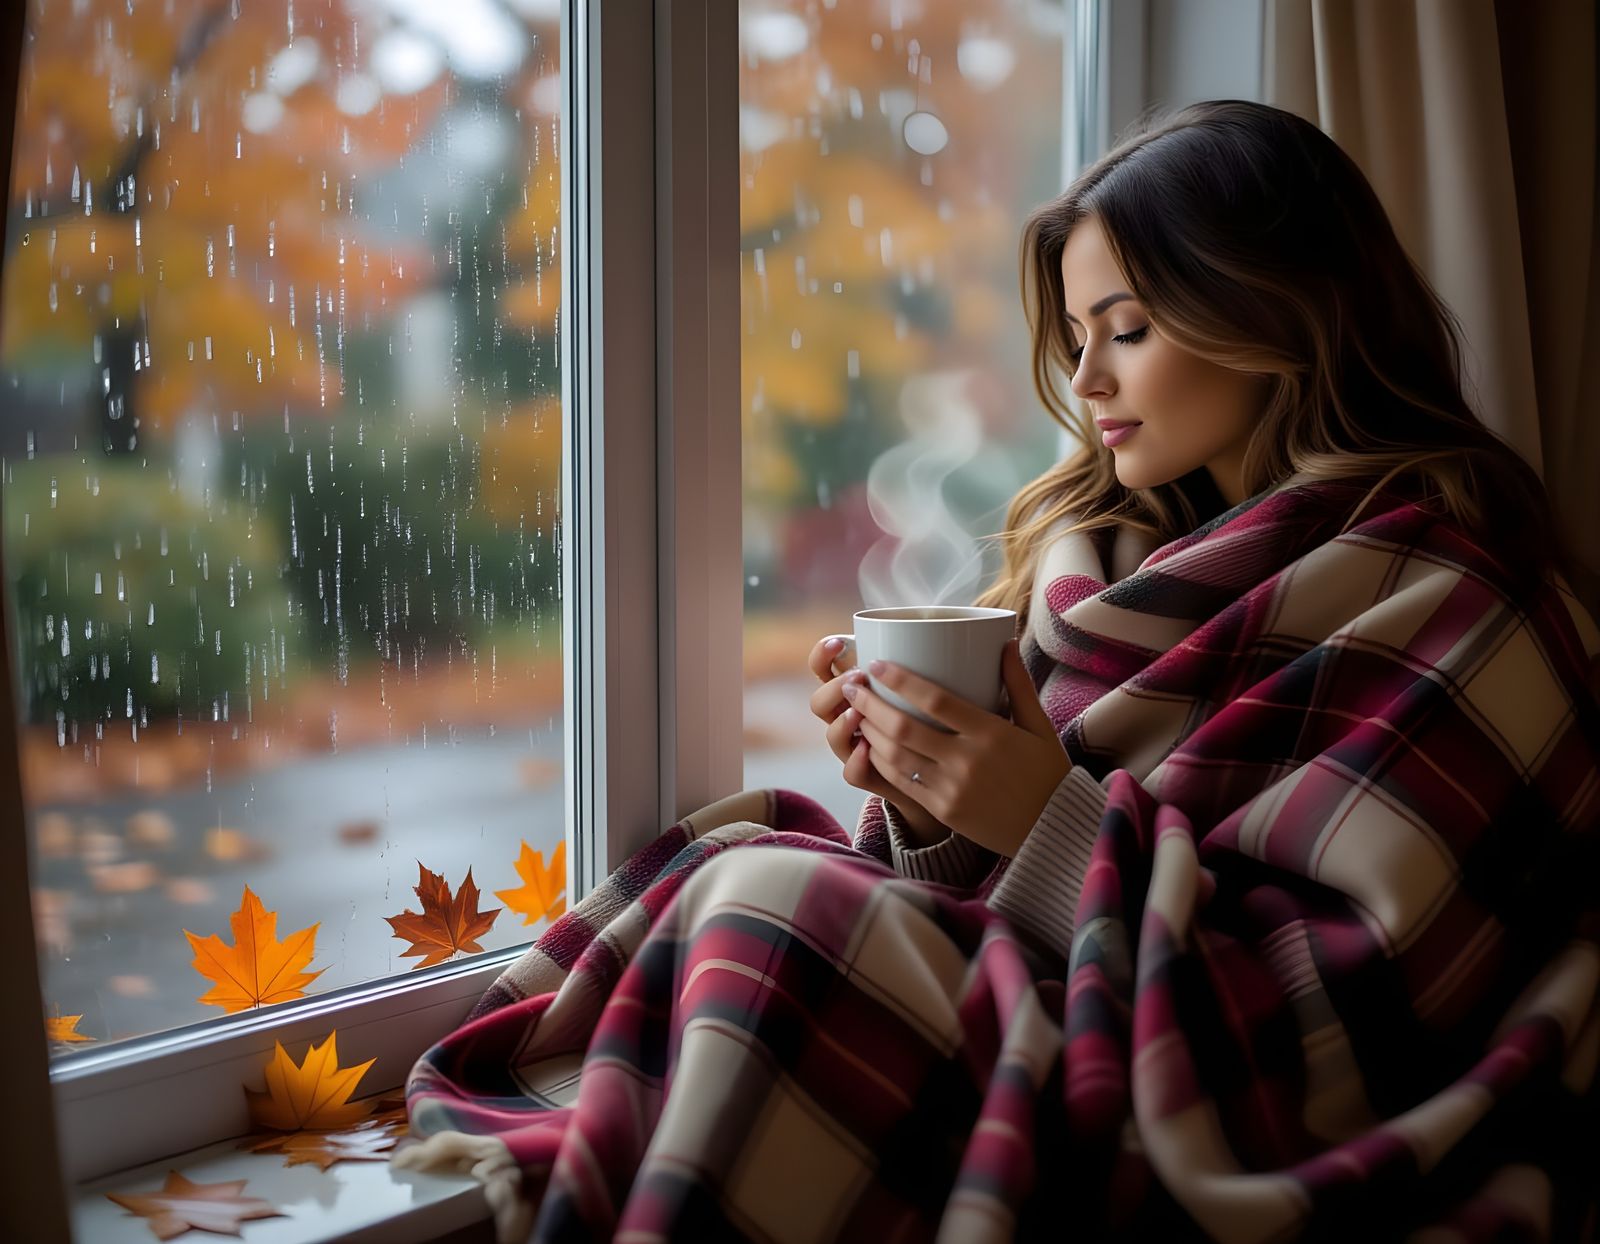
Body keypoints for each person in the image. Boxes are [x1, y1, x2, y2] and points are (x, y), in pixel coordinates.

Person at [395, 99, 1600, 1243]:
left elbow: (1354, 1027)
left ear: (1285, 315)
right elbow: (990, 905)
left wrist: (1042, 816)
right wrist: (928, 807)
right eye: (1078, 338)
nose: (1085, 383)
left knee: (779, 907)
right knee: (754, 871)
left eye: (1126, 330)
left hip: (1208, 1096)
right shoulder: (1108, 570)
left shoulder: (1458, 598)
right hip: (1065, 1017)